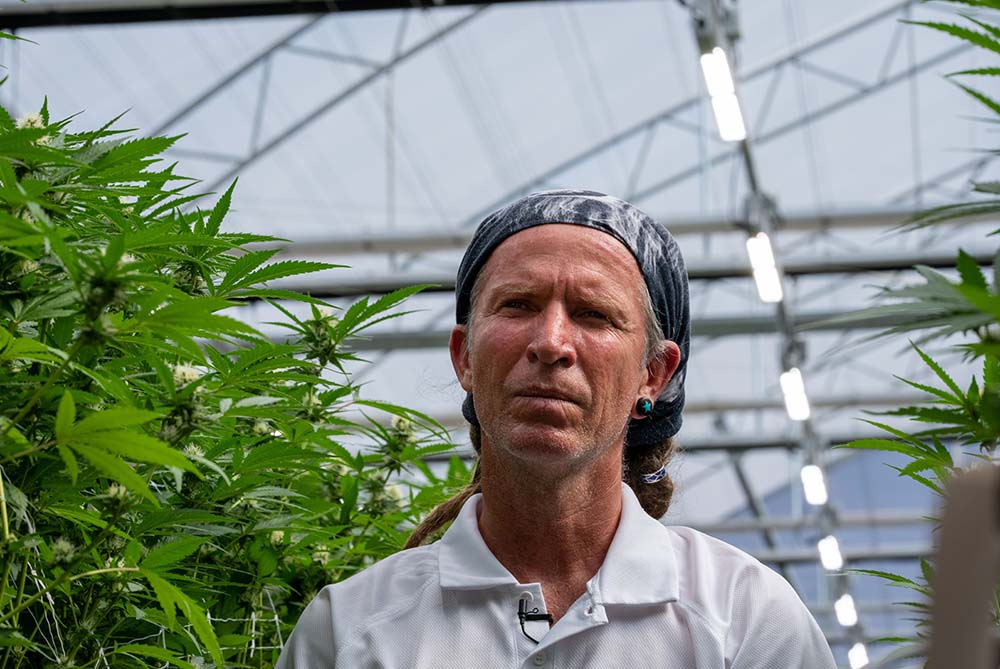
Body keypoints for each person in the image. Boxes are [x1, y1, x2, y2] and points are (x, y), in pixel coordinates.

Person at [277, 189, 837, 668]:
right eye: (517, 305)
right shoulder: (350, 631)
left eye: (594, 314)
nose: (549, 343)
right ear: (464, 357)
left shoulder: (746, 620)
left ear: (653, 374)